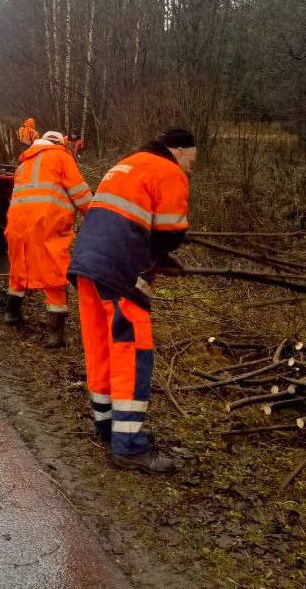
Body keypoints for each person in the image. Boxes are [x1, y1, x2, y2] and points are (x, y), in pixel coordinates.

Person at [68, 127, 197, 474]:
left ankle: (106, 425)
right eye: (190, 161)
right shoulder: (168, 170)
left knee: (100, 344)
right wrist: (160, 255)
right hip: (120, 267)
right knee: (132, 351)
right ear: (180, 151)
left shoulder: (129, 164)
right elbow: (171, 232)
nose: (189, 168)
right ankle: (128, 447)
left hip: (87, 262)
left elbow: (127, 220)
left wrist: (156, 258)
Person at [4, 130, 92, 347]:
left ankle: (11, 314)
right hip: (46, 224)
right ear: (59, 142)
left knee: (19, 269)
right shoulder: (61, 157)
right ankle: (56, 336)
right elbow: (80, 192)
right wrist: (97, 216)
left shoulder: (23, 164)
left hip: (16, 225)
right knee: (54, 275)